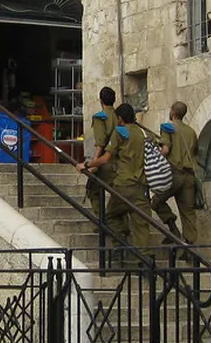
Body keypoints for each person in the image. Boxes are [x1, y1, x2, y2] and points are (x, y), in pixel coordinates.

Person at [78, 102, 157, 252]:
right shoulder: (143, 133)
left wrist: (87, 165)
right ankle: (146, 263)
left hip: (124, 185)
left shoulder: (120, 132)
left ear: (120, 118)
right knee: (141, 225)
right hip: (142, 186)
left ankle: (120, 241)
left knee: (109, 215)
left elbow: (106, 158)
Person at [152, 100, 200, 246]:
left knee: (156, 201)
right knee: (188, 211)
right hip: (189, 176)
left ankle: (172, 227)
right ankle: (189, 246)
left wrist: (155, 155)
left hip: (174, 174)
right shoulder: (191, 131)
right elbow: (195, 152)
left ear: (172, 113)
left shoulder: (167, 127)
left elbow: (165, 150)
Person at [82, 86, 121, 236]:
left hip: (105, 160)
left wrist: (94, 163)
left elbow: (100, 142)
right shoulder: (119, 116)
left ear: (101, 100)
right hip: (118, 160)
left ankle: (103, 222)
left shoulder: (100, 117)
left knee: (93, 192)